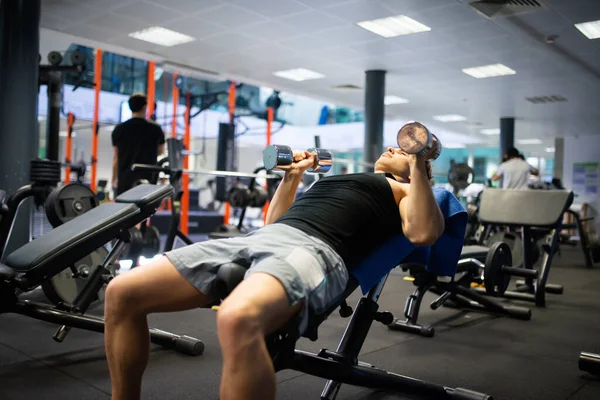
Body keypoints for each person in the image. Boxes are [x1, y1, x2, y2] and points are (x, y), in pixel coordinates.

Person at [103, 122, 445, 400]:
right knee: (122, 292)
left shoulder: (405, 191)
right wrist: (292, 175)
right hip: (264, 238)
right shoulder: (341, 179)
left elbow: (421, 233)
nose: (392, 148)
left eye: (401, 150)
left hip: (315, 251)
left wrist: (417, 167)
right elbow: (275, 222)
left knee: (237, 318)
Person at [111, 93, 166, 196]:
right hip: (147, 181)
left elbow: (116, 157)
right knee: (146, 211)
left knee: (124, 211)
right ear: (145, 107)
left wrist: (114, 179)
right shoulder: (155, 129)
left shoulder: (119, 129)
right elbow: (161, 151)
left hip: (125, 181)